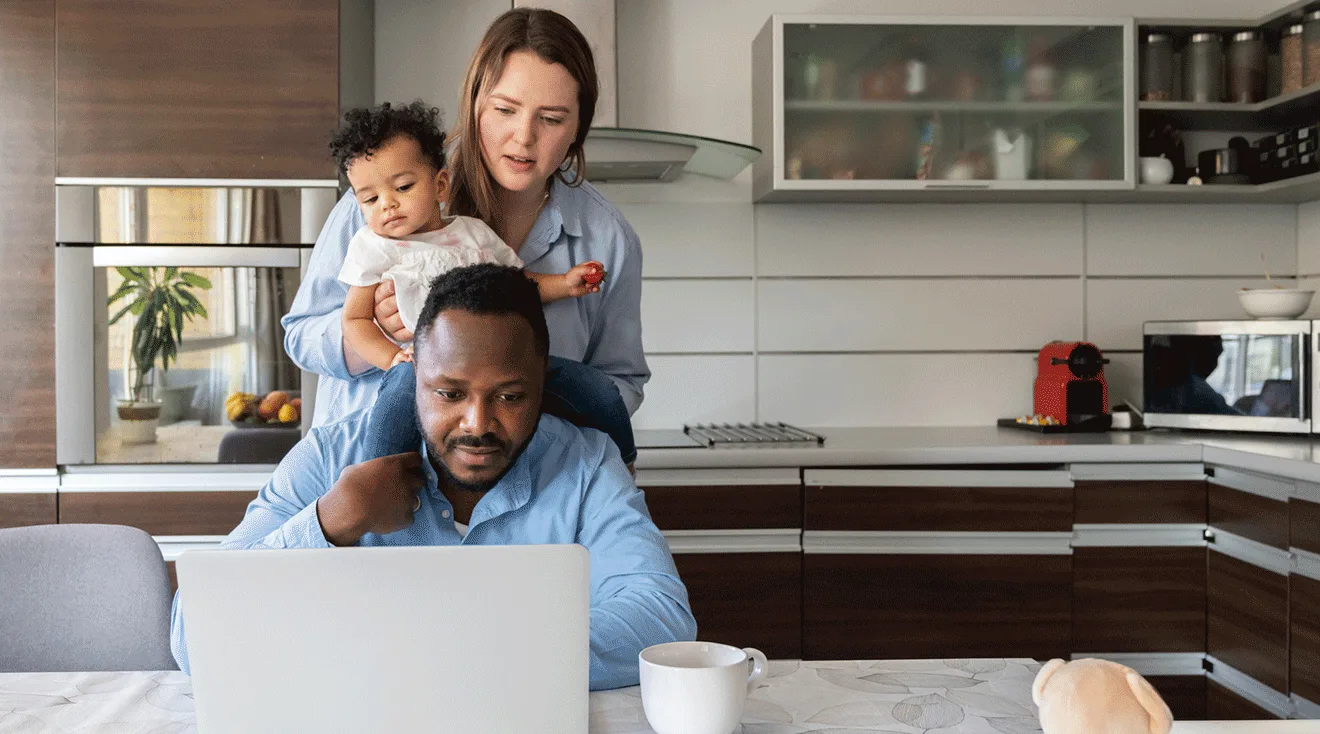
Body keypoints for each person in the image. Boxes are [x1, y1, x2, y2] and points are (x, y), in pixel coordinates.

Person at [169, 264, 696, 690]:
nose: (478, 424)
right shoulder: (333, 458)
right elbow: (196, 635)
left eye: (510, 396)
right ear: (413, 375)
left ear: (544, 382)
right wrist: (330, 522)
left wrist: (442, 654)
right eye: (449, 394)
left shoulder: (587, 463)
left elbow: (661, 621)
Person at [282, 8, 648, 455]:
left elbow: (620, 383)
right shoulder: (384, 200)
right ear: (474, 102)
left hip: (530, 497)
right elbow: (301, 337)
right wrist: (376, 336)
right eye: (504, 110)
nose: (523, 137)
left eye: (551, 119)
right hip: (374, 495)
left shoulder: (610, 240)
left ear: (578, 130)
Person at [328, 100, 635, 466]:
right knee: (391, 412)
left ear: (440, 184)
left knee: (597, 391)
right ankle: (378, 486)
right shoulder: (372, 247)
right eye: (370, 198)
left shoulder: (473, 233)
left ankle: (623, 464)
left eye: (404, 187)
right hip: (427, 367)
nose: (387, 205)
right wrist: (391, 358)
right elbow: (355, 320)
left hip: (506, 365)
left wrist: (565, 284)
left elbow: (519, 285)